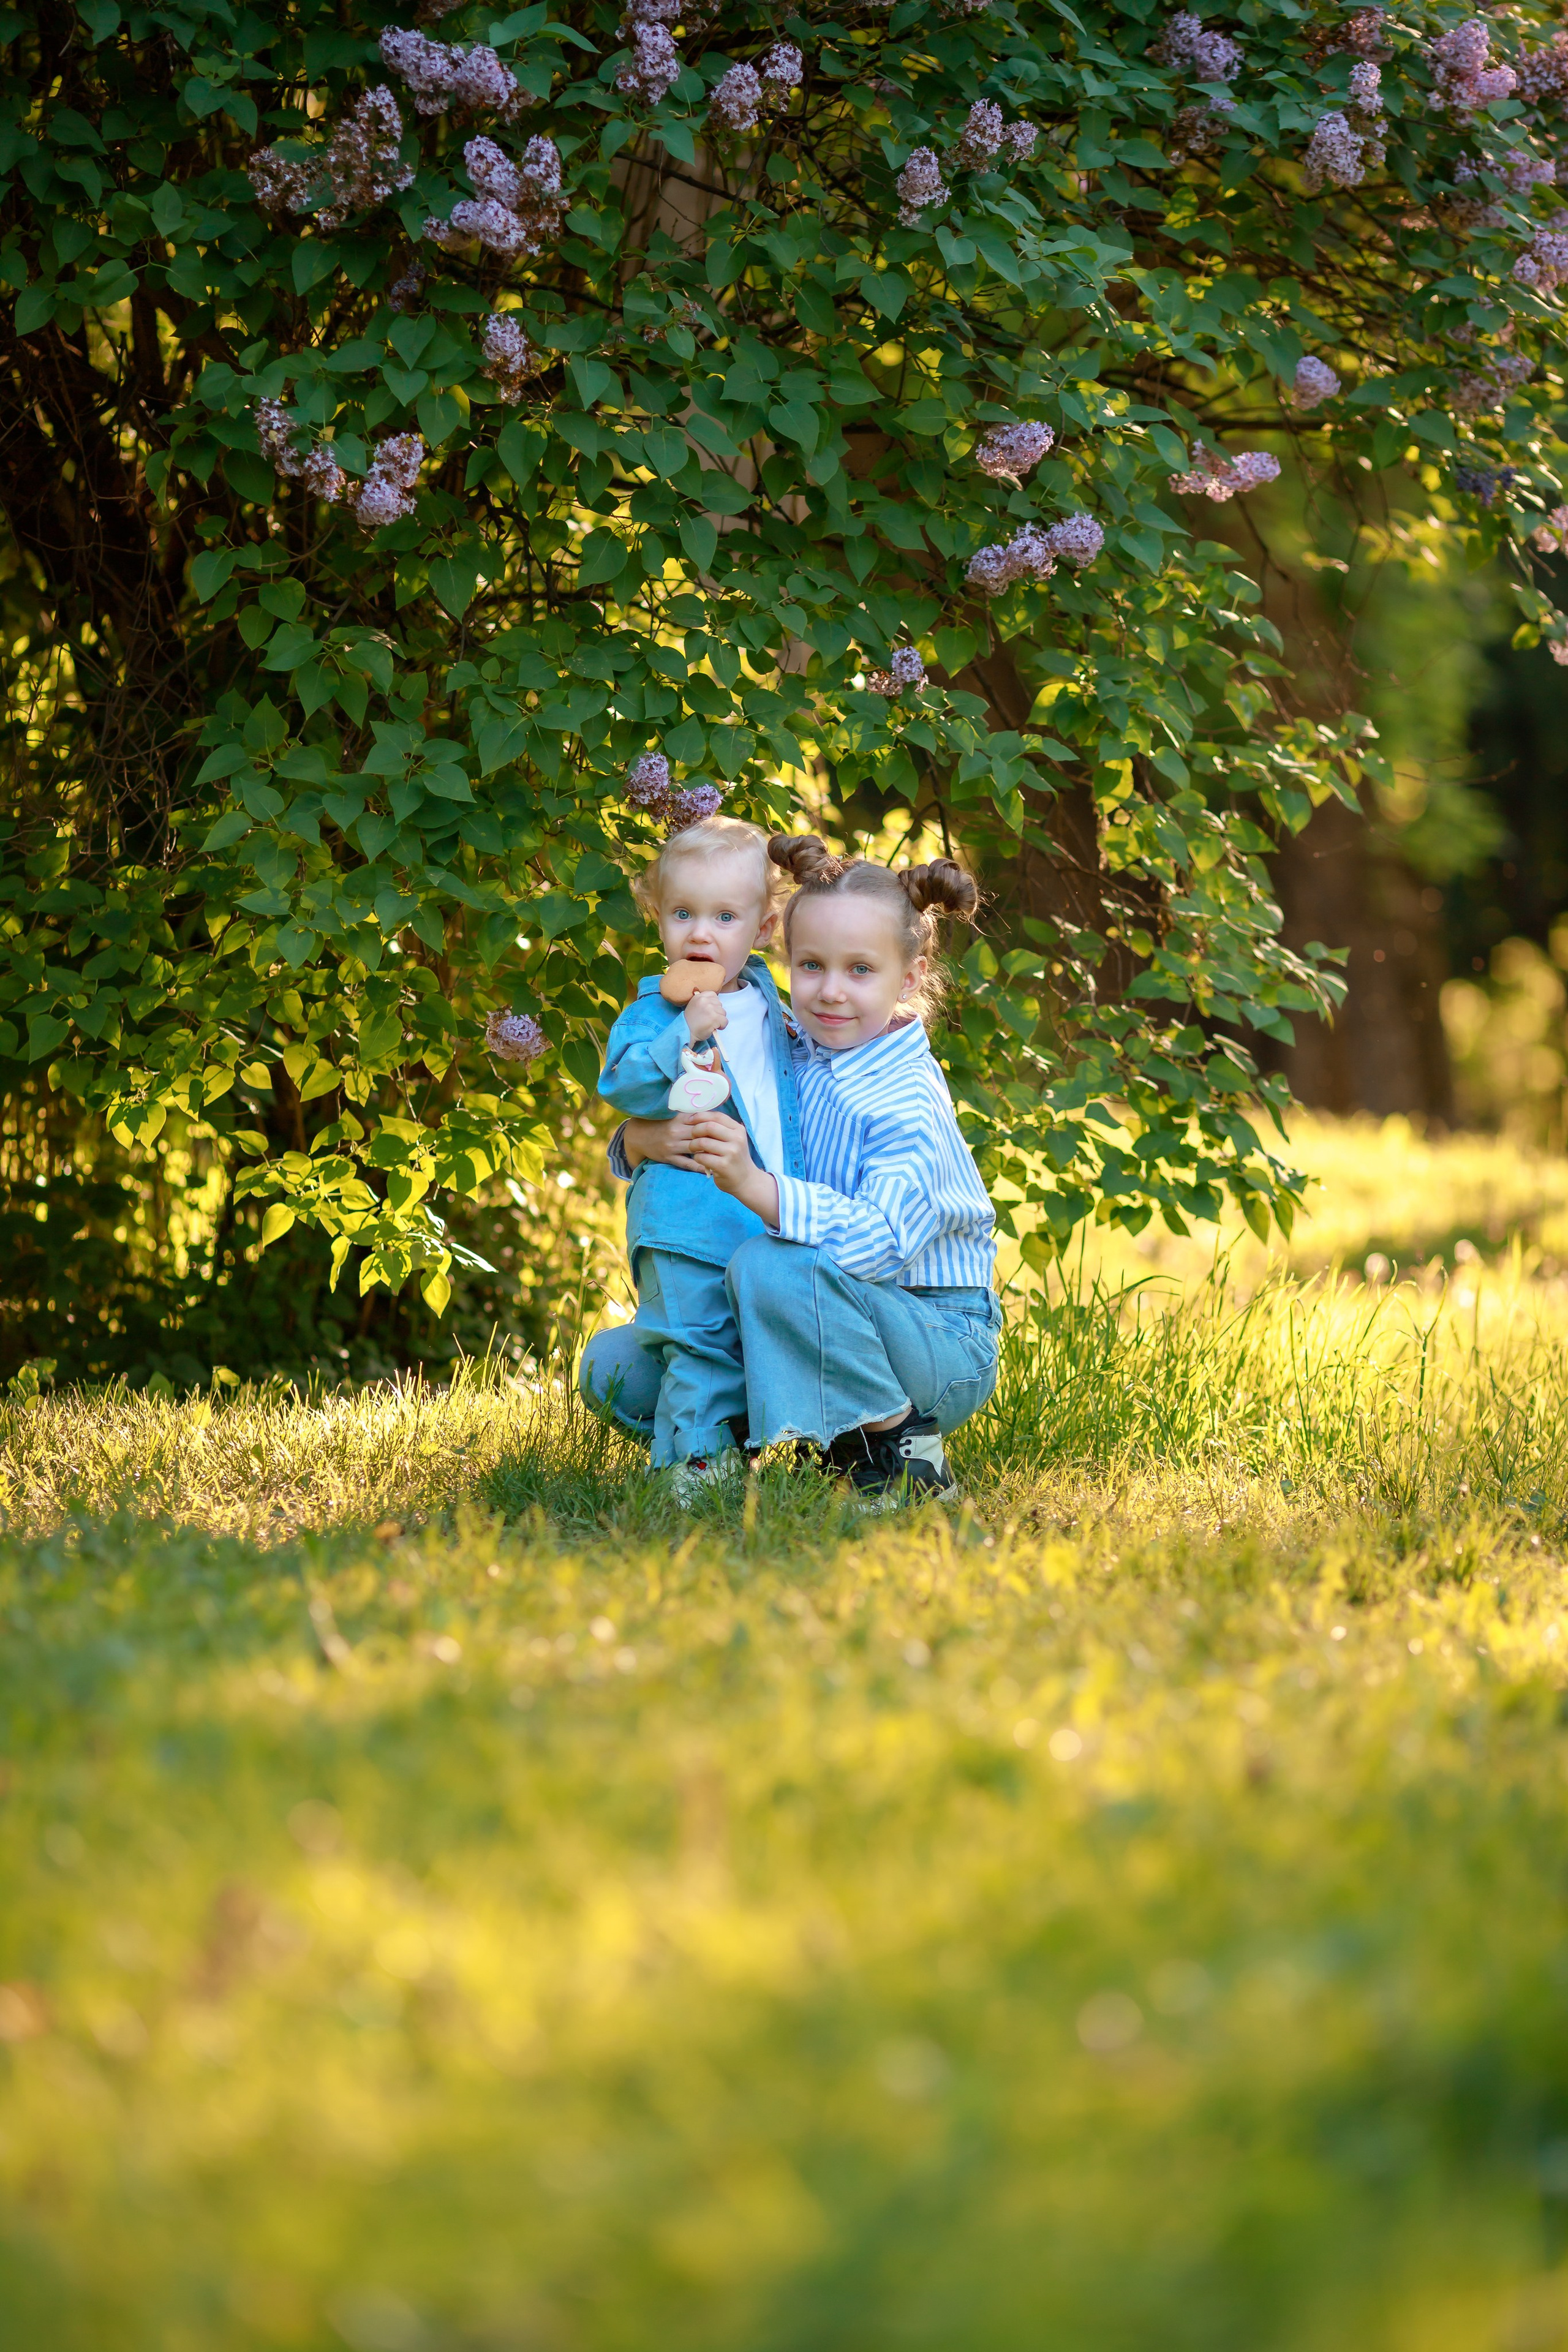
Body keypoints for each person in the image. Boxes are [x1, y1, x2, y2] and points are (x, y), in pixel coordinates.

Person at [617, 835, 1000, 1504]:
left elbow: (878, 1245)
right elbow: (722, 1100)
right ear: (783, 959)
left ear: (906, 979)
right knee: (620, 1372)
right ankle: (737, 1455)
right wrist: (639, 1137)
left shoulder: (905, 1097)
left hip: (936, 1337)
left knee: (770, 1265)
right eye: (811, 965)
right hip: (832, 1310)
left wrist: (754, 1187)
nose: (829, 992)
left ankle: (901, 1450)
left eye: (860, 971)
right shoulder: (800, 1049)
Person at [579, 814, 803, 1480]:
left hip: (759, 1220)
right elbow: (626, 1087)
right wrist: (684, 1033)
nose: (701, 932)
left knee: (744, 1344)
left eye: (725, 917)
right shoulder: (653, 1013)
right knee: (694, 1342)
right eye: (682, 913)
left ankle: (751, 1444)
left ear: (762, 930)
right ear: (659, 922)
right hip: (683, 1219)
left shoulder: (773, 1002)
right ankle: (692, 1471)